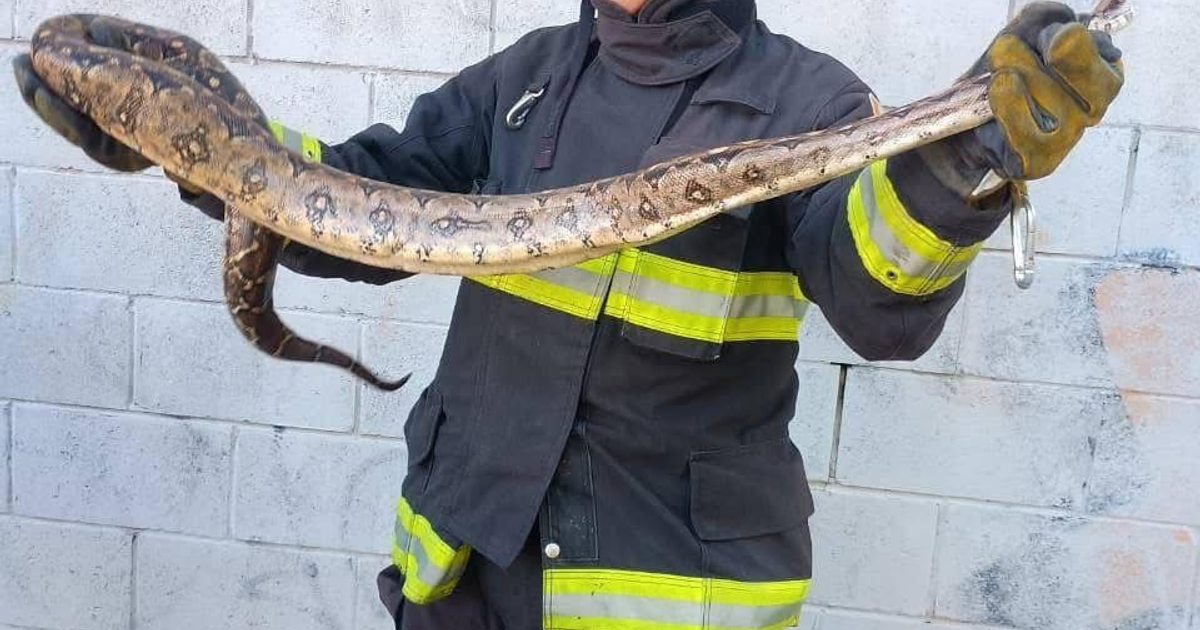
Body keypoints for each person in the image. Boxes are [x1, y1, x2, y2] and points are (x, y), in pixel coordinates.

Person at [14, 1, 1123, 628]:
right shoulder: (528, 77)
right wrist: (197, 153)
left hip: (663, 596)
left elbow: (879, 301)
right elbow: (354, 200)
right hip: (462, 574)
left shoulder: (812, 103)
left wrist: (967, 162)